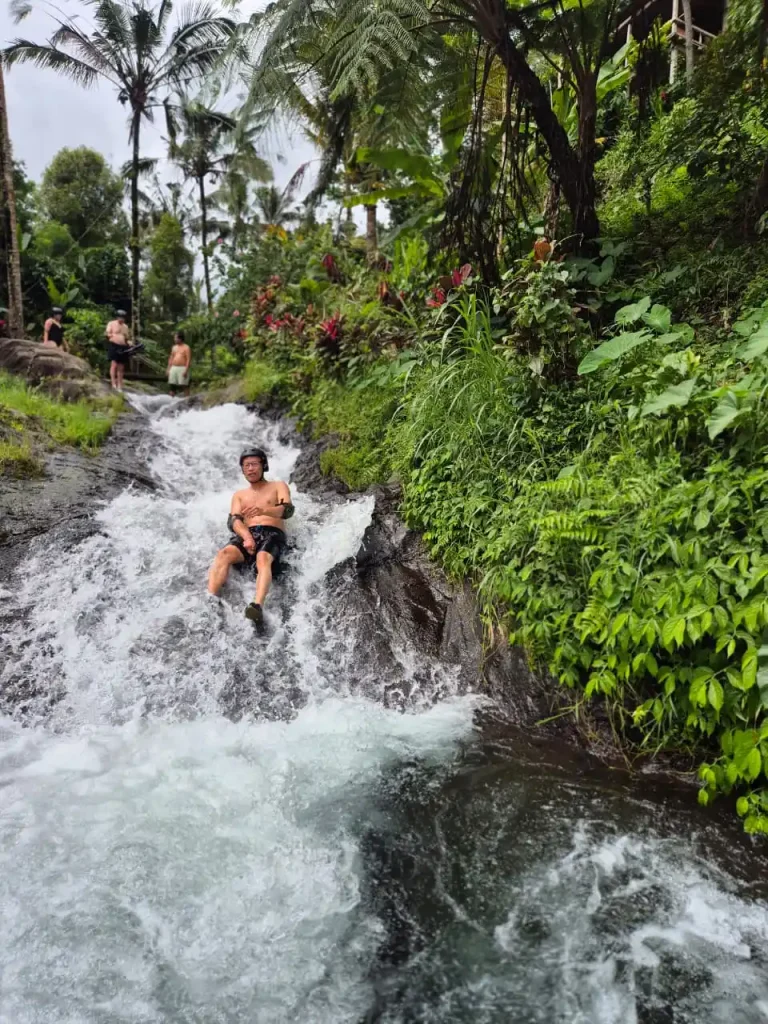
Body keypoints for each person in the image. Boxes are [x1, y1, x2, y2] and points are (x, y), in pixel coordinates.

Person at [207, 448, 294, 628]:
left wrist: (264, 510)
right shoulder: (239, 495)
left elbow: (287, 510)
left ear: (264, 465)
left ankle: (257, 605)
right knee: (224, 554)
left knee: (263, 558)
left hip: (272, 532)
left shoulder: (278, 486)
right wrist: (247, 537)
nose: (250, 469)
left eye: (254, 464)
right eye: (246, 466)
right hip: (248, 533)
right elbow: (234, 521)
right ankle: (211, 601)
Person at [106, 309, 131, 392]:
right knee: (114, 364)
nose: (122, 319)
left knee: (121, 367)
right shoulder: (111, 323)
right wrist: (111, 336)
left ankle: (120, 385)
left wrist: (129, 343)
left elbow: (127, 338)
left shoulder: (125, 327)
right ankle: (113, 383)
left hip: (123, 347)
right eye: (120, 317)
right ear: (117, 317)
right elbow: (108, 333)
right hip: (114, 345)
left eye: (123, 318)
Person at [167, 330, 191, 396]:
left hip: (182, 367)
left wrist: (186, 370)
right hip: (174, 367)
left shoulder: (186, 347)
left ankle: (187, 399)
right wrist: (168, 369)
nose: (174, 339)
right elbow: (171, 358)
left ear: (180, 339)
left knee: (184, 384)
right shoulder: (174, 347)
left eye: (176, 338)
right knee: (172, 384)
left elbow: (188, 359)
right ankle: (171, 399)